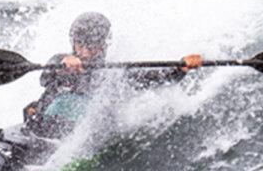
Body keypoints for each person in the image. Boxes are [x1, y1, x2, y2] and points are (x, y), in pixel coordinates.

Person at [23, 12, 202, 137]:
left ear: (103, 44)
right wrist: (62, 65)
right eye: (80, 43)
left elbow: (155, 79)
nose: (84, 51)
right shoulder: (60, 61)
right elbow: (45, 77)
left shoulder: (115, 73)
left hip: (69, 135)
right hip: (39, 127)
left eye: (91, 45)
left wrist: (181, 68)